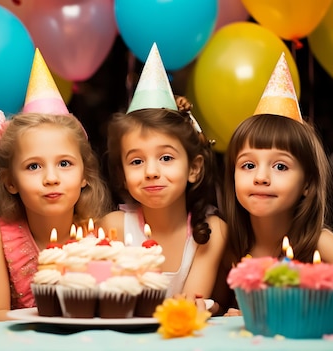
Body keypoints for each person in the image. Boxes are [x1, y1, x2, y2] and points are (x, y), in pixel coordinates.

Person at [218, 53, 333, 317]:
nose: (261, 177)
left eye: (280, 166)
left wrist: (313, 310)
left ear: (307, 184)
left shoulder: (318, 241)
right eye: (248, 165)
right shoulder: (229, 245)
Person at [0, 49, 113, 321]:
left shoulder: (101, 234)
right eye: (33, 166)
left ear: (85, 174)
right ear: (10, 182)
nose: (51, 178)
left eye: (64, 163)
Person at [98, 43, 227, 311]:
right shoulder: (113, 228)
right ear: (122, 174)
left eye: (166, 158)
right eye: (136, 161)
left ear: (194, 168)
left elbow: (189, 308)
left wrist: (209, 307)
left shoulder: (211, 232)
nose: (152, 171)